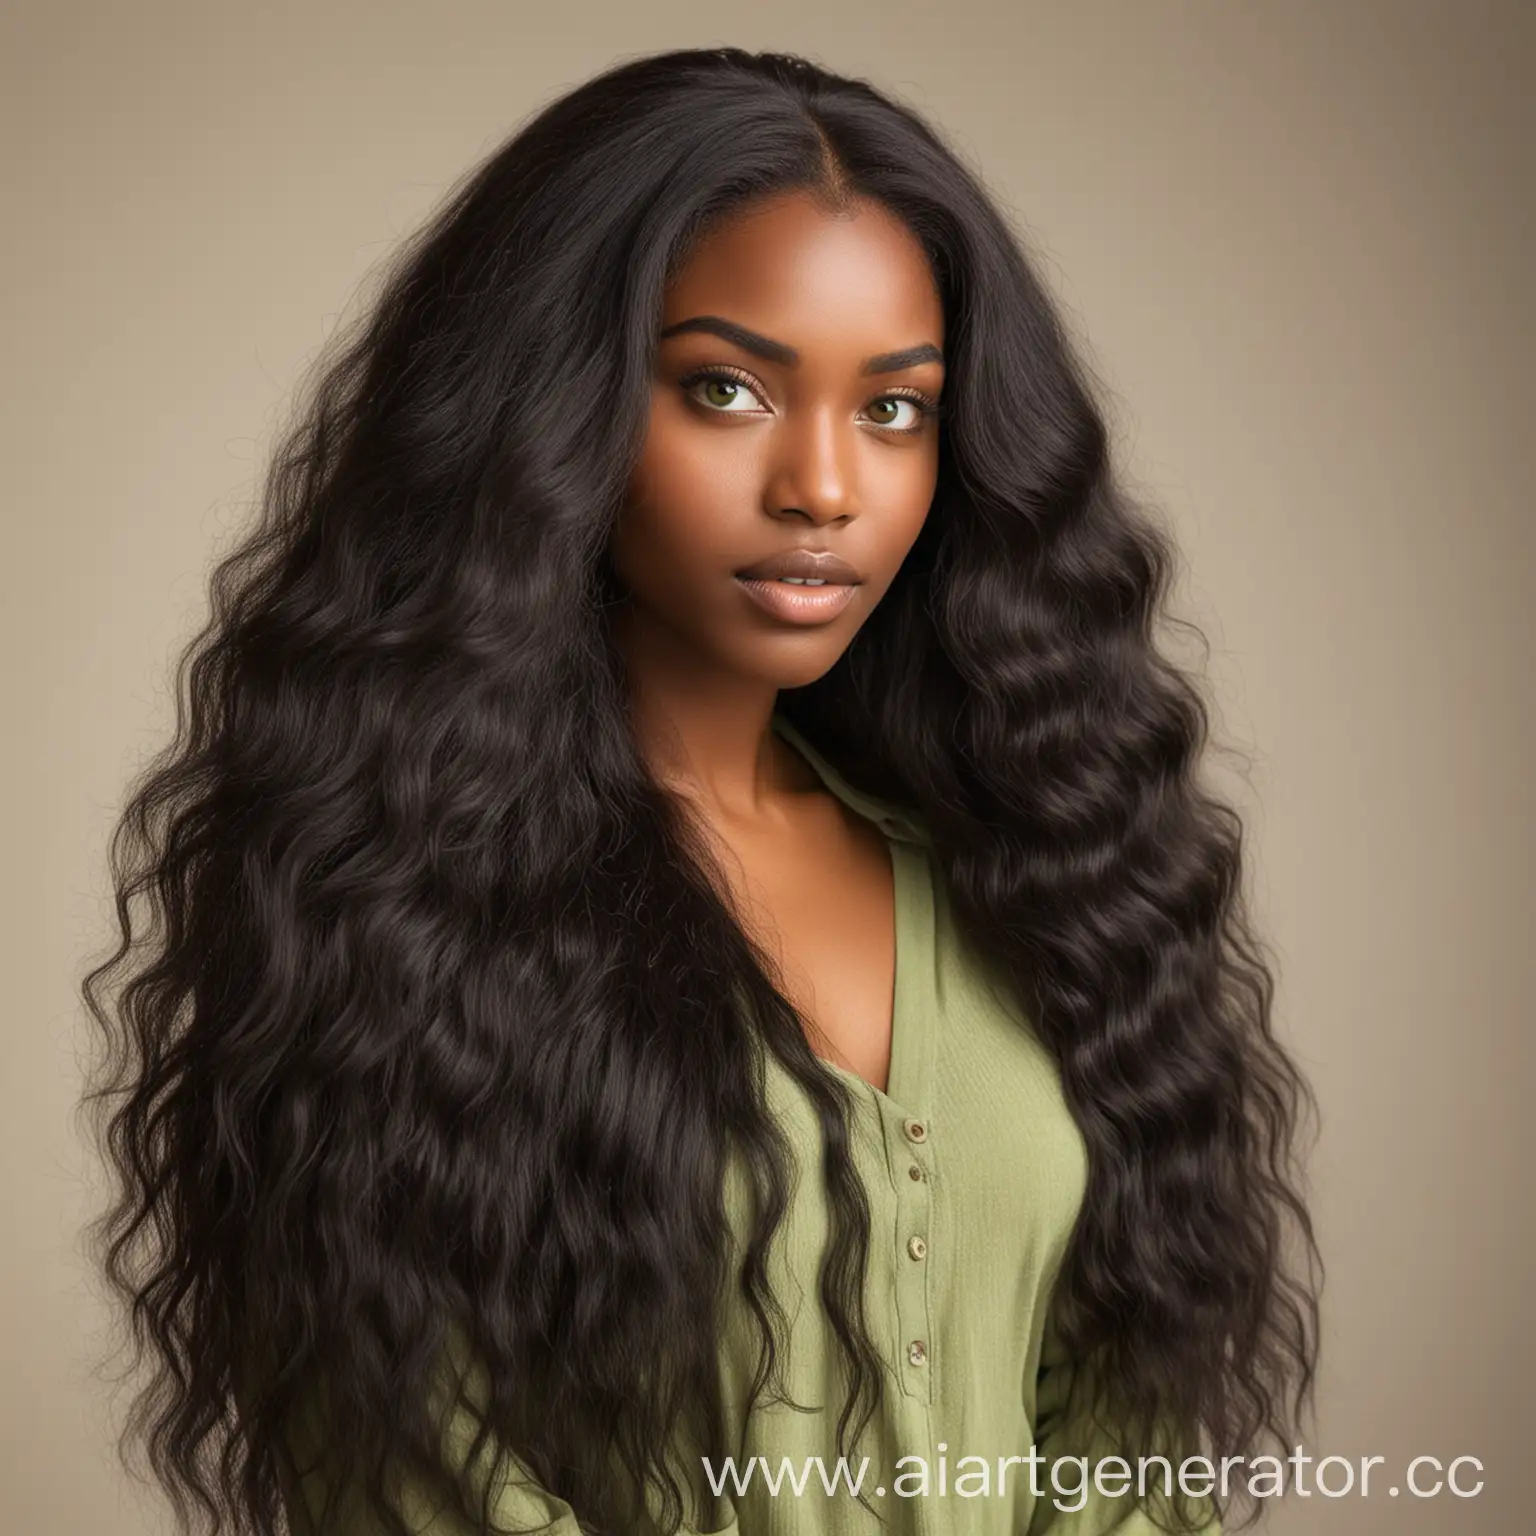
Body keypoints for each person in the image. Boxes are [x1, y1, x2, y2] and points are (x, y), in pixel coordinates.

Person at [82, 46, 1321, 1536]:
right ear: (553, 419)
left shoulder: (1026, 880)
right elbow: (410, 1466)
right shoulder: (390, 914)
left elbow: (1130, 1413)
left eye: (896, 409)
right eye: (726, 390)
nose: (823, 486)